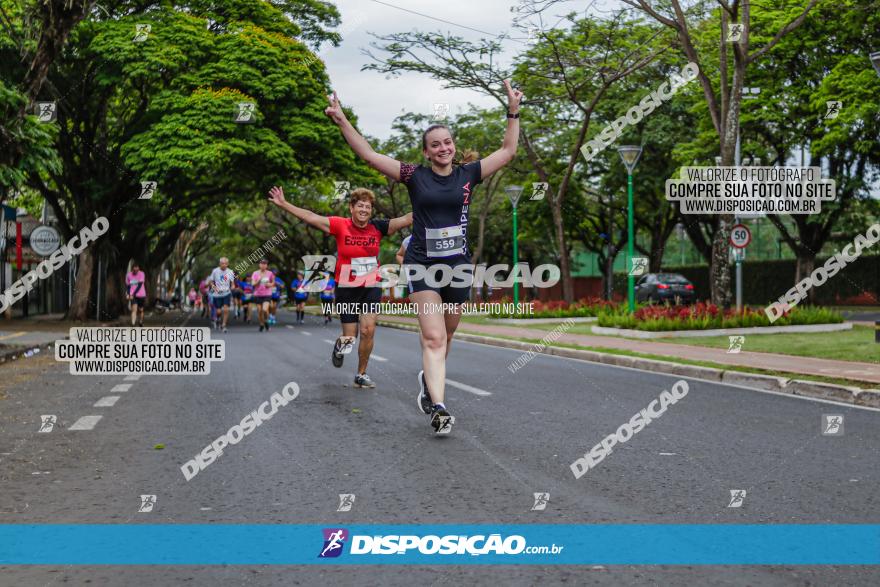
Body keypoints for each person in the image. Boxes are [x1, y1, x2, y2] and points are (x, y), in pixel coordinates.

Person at [323, 82, 522, 433]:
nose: (443, 148)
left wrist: (512, 109)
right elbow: (369, 155)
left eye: (447, 142)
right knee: (433, 338)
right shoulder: (415, 176)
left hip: (457, 268)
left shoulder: (468, 175)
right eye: (435, 145)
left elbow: (507, 151)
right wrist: (342, 120)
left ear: (453, 146)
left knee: (447, 335)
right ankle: (439, 407)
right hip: (423, 265)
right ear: (427, 153)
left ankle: (428, 383)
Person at [268, 185, 411, 389]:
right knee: (350, 337)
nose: (364, 210)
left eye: (368, 207)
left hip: (371, 286)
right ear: (351, 208)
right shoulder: (339, 225)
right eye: (360, 205)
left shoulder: (378, 227)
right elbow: (310, 216)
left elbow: (406, 218)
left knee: (368, 330)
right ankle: (339, 346)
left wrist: (433, 198)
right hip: (347, 287)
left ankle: (361, 374)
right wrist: (284, 204)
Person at [208, 257, 235, 333]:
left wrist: (233, 287)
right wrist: (213, 287)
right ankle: (218, 319)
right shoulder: (215, 271)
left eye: (226, 263)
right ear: (220, 264)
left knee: (226, 309)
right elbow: (211, 281)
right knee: (219, 311)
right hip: (217, 294)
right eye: (222, 263)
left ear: (228, 264)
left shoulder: (230, 272)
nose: (224, 265)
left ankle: (224, 325)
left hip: (226, 293)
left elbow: (232, 283)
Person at [251, 259, 275, 332]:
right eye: (262, 264)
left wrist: (269, 285)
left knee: (264, 310)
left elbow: (273, 283)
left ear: (267, 265)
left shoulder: (270, 273)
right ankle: (261, 324)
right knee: (259, 311)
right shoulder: (255, 273)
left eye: (265, 264)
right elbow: (253, 284)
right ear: (259, 265)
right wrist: (258, 281)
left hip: (267, 294)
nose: (263, 265)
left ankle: (266, 321)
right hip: (258, 294)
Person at [125, 262, 147, 327]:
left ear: (138, 268)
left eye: (137, 270)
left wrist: (133, 293)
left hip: (141, 295)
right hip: (133, 296)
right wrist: (129, 294)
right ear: (132, 269)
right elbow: (128, 286)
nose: (136, 272)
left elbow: (139, 285)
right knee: (134, 310)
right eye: (134, 270)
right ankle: (133, 323)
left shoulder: (142, 274)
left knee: (141, 310)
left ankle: (141, 321)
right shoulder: (129, 275)